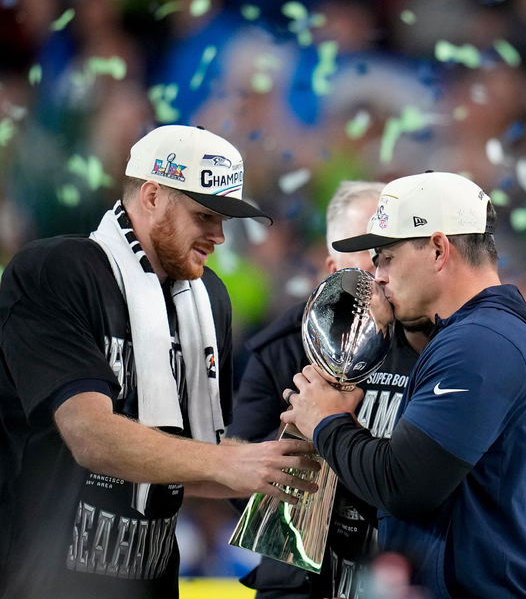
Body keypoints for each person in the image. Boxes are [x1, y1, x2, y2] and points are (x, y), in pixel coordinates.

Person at [0, 124, 320, 599]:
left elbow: (191, 464)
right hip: (36, 580)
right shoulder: (57, 271)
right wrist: (226, 462)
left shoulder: (209, 299)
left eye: (225, 220)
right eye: (204, 216)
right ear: (152, 196)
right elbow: (89, 434)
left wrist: (285, 474)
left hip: (147, 583)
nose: (219, 237)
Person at [282, 171, 526, 599]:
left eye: (386, 256)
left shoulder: (478, 342)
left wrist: (327, 420)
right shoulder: (491, 333)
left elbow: (403, 485)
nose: (378, 275)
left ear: (438, 249)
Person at [229, 180, 430, 599]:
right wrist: (310, 431)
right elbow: (234, 482)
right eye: (369, 255)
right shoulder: (283, 347)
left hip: (402, 573)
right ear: (334, 270)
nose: (381, 272)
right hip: (299, 580)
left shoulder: (432, 341)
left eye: (389, 252)